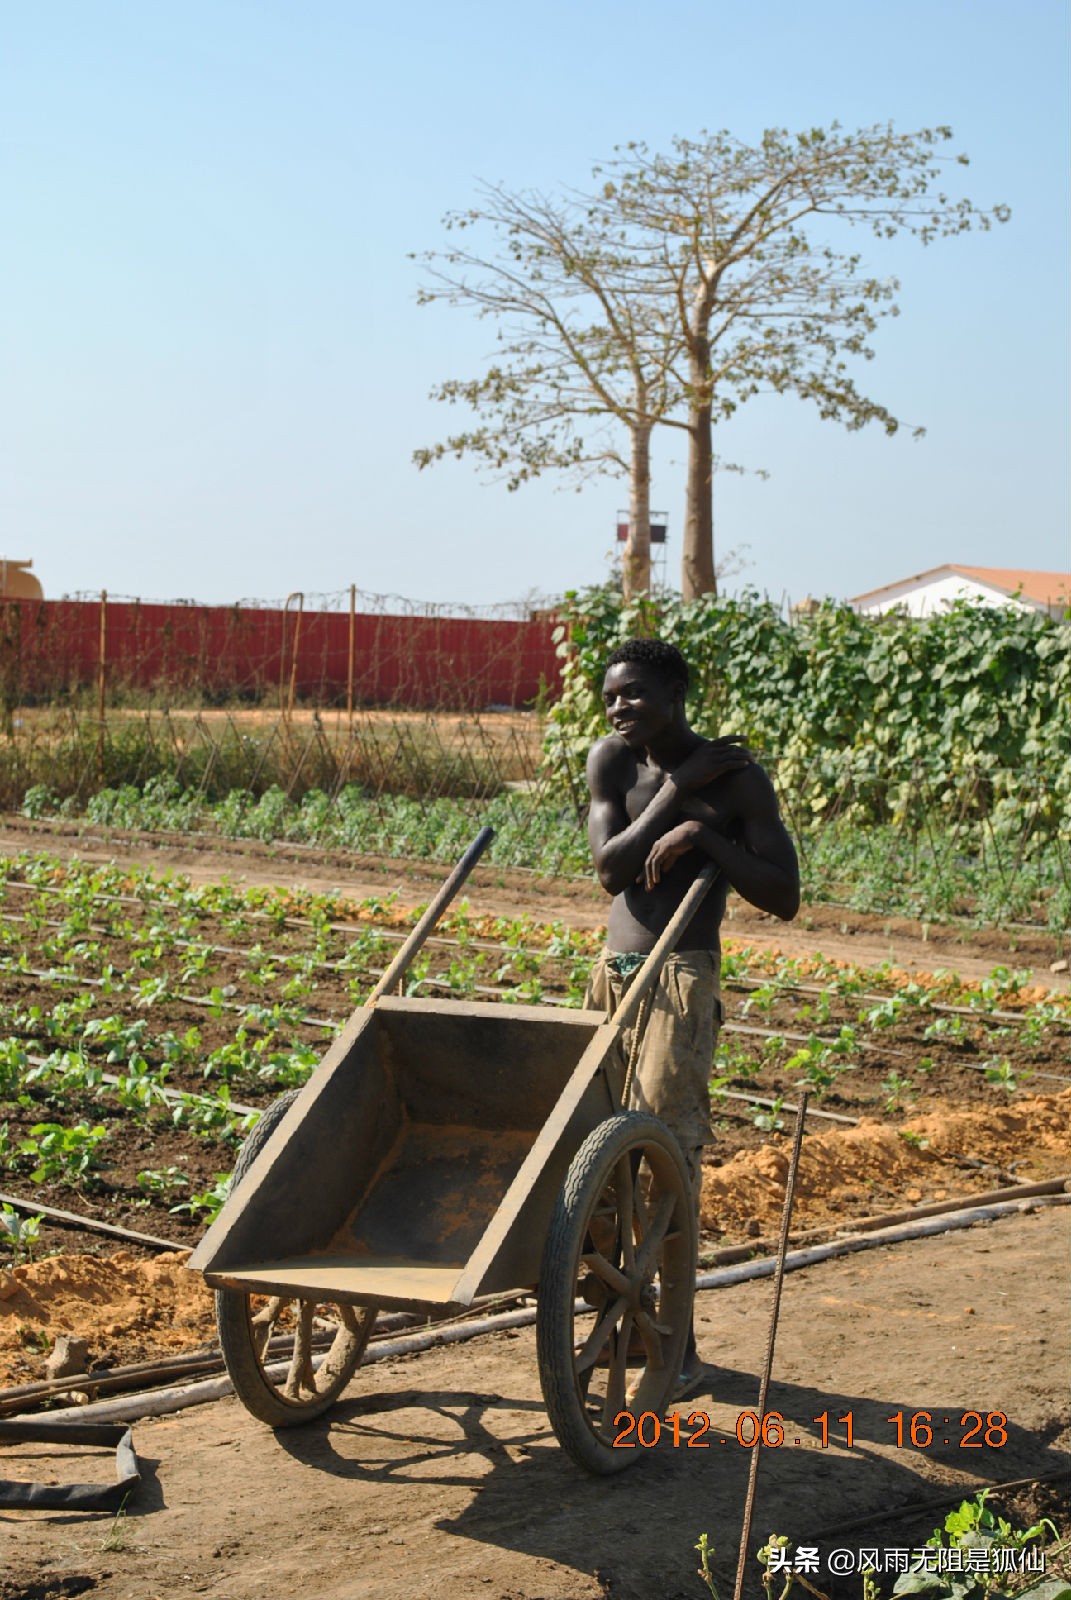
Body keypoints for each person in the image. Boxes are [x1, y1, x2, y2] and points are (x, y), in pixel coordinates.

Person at [584, 636, 800, 1399]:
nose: (619, 707)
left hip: (679, 974)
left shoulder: (737, 780)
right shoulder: (613, 763)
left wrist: (706, 836)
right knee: (594, 1151)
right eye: (611, 695)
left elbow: (783, 893)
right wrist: (677, 800)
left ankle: (679, 1348)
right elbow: (610, 868)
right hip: (611, 974)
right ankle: (620, 1309)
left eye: (635, 694)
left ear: (676, 695)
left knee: (662, 1153)